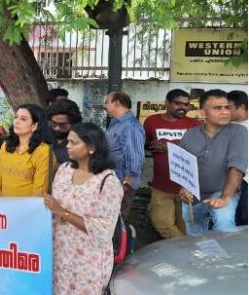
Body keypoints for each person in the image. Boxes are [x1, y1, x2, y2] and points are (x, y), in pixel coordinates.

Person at [44, 122, 123, 295]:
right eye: (68, 142)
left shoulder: (108, 182)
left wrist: (62, 212)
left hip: (88, 260)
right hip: (60, 253)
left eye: (74, 143)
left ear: (92, 148)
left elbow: (103, 231)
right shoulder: (64, 170)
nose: (68, 146)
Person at [179, 89, 248, 234]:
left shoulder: (238, 132)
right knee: (194, 237)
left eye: (227, 107)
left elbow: (237, 168)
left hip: (222, 192)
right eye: (217, 108)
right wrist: (184, 188)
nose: (225, 112)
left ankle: (227, 258)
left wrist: (225, 197)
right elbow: (182, 167)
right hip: (194, 197)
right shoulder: (190, 134)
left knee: (224, 227)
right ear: (203, 113)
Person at [143, 89, 200, 238]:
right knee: (163, 224)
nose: (183, 108)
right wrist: (152, 146)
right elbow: (146, 144)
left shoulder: (194, 124)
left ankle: (184, 255)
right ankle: (184, 250)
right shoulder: (151, 121)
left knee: (185, 228)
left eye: (187, 105)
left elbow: (199, 149)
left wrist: (168, 146)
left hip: (186, 188)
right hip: (161, 186)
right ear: (167, 103)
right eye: (178, 103)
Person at [0, 104, 52, 197]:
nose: (16, 122)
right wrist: (1, 207)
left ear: (35, 126)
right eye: (16, 117)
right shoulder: (6, 145)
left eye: (23, 119)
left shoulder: (43, 151)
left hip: (28, 209)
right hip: (3, 207)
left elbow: (39, 192)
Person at [104, 91, 144, 220]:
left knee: (117, 222)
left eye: (106, 102)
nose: (104, 105)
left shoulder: (131, 126)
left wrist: (126, 185)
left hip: (122, 183)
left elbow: (135, 159)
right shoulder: (116, 123)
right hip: (113, 180)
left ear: (116, 103)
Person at [227, 90, 248, 226]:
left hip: (246, 181)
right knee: (234, 221)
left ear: (241, 107)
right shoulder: (226, 127)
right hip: (230, 181)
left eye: (229, 108)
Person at [46, 99, 82, 165]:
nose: (57, 128)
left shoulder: (82, 141)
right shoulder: (42, 135)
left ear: (74, 123)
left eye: (62, 125)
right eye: (54, 123)